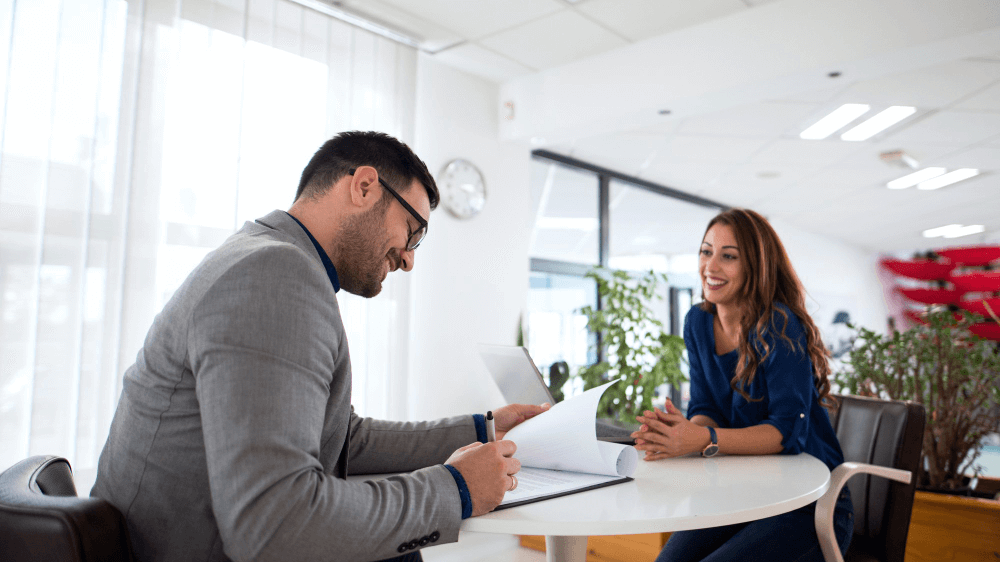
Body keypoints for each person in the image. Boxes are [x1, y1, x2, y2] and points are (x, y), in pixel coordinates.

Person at [91, 131, 548, 562]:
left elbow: (343, 437)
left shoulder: (265, 257)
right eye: (413, 231)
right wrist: (457, 490)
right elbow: (272, 522)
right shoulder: (274, 275)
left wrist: (483, 431)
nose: (409, 259)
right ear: (365, 186)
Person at [630, 208, 854, 562]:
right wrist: (682, 434)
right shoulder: (698, 322)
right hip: (742, 493)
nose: (711, 266)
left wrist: (703, 439)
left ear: (755, 266)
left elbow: (787, 434)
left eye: (728, 256)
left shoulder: (779, 325)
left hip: (809, 503)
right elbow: (706, 408)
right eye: (706, 252)